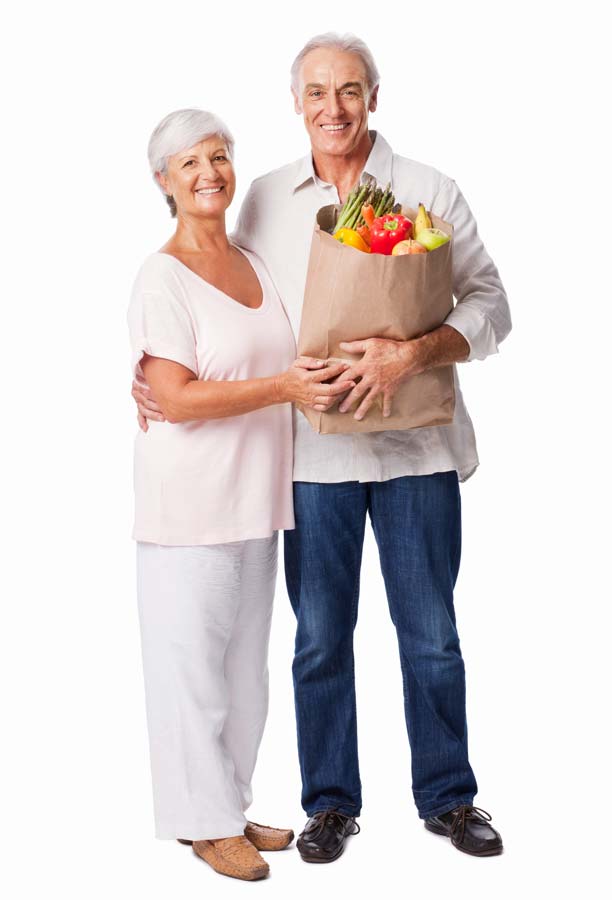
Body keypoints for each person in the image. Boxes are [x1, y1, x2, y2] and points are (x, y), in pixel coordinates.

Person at [134, 33, 511, 861]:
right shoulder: (265, 199)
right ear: (296, 104)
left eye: (349, 90)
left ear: (374, 96)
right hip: (310, 460)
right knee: (317, 641)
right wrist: (159, 377)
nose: (332, 108)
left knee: (432, 636)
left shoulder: (428, 189)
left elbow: (492, 306)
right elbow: (232, 309)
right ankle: (330, 802)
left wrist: (413, 351)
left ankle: (449, 799)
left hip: (419, 451)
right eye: (316, 93)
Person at [128, 108, 355, 881]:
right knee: (189, 669)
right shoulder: (161, 276)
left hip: (259, 502)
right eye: (188, 164)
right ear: (164, 182)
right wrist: (281, 387)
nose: (209, 174)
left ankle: (228, 804)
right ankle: (202, 824)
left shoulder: (255, 260)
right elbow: (178, 397)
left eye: (218, 156)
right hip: (189, 507)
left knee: (243, 673)